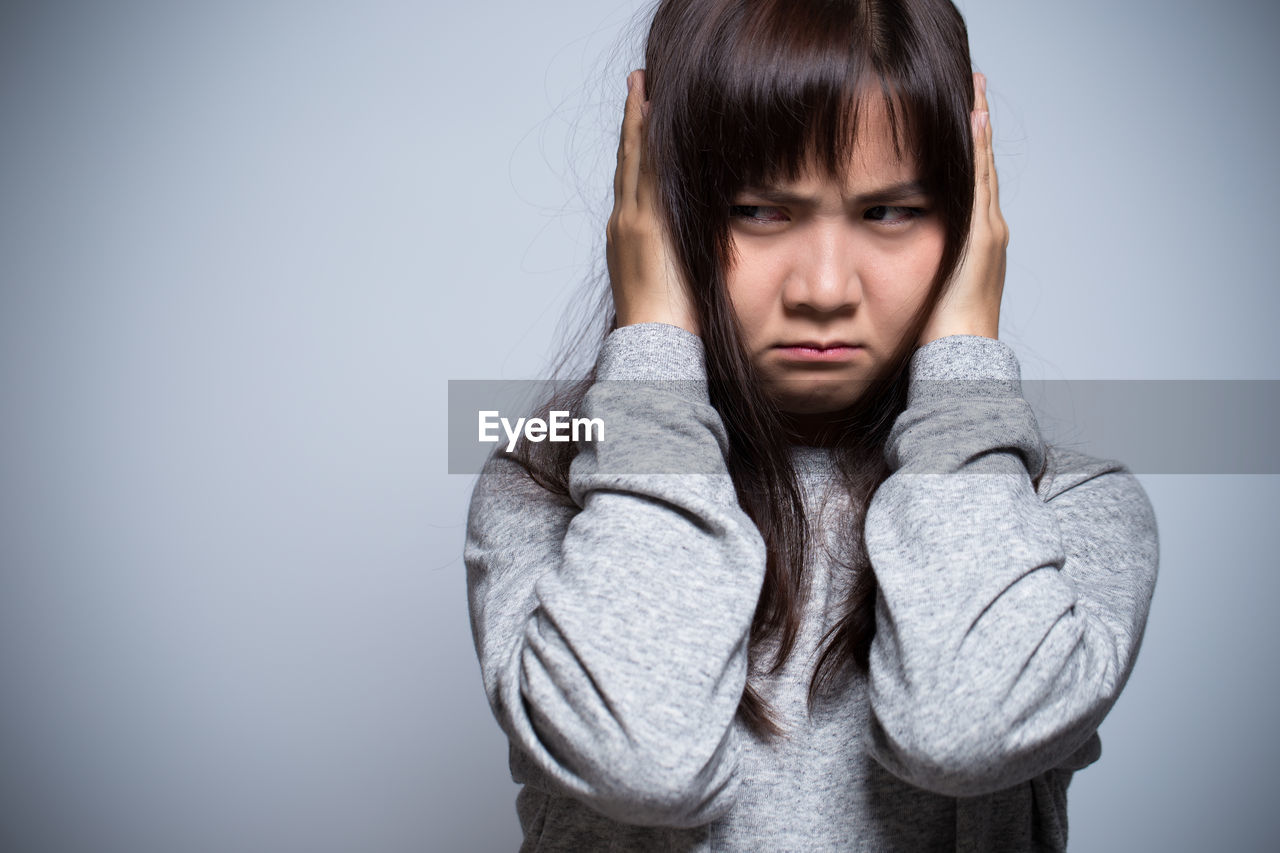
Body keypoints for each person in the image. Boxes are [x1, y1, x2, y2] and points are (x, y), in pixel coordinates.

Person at [464, 0, 1159, 849]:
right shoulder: (548, 490)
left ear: (971, 223)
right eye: (759, 210)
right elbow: (641, 762)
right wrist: (650, 360)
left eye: (889, 212)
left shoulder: (1066, 511)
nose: (825, 288)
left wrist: (967, 371)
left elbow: (963, 731)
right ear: (661, 216)